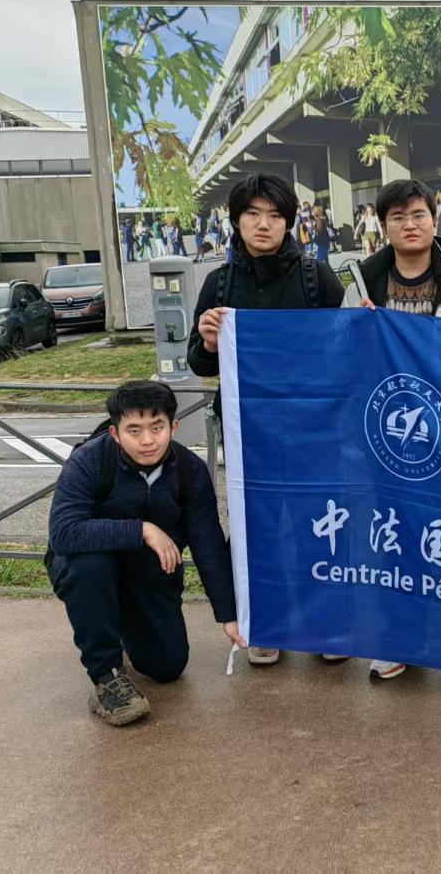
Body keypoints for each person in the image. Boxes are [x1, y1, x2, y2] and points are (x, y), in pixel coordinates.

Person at [188, 173, 345, 667]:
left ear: (289, 222)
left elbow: (346, 350)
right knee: (258, 528)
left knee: (319, 524)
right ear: (236, 221)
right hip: (248, 432)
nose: (264, 224)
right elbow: (199, 363)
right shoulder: (219, 283)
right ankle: (264, 622)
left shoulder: (317, 278)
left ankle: (325, 624)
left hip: (315, 430)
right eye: (253, 214)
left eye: (275, 215)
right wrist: (208, 342)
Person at [342, 179, 441, 679]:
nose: (409, 225)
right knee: (396, 535)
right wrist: (355, 329)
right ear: (383, 225)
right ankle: (402, 638)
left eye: (418, 215)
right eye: (398, 217)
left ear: (434, 219)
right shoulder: (362, 283)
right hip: (388, 432)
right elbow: (341, 356)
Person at [45, 380, 243, 726]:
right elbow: (63, 533)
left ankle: (121, 620)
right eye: (134, 430)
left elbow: (208, 542)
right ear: (115, 432)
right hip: (90, 567)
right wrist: (143, 530)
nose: (147, 440)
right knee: (89, 567)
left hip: (149, 573)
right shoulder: (90, 460)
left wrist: (229, 614)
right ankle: (107, 677)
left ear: (173, 426)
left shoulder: (189, 470)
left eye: (157, 427)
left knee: (167, 667)